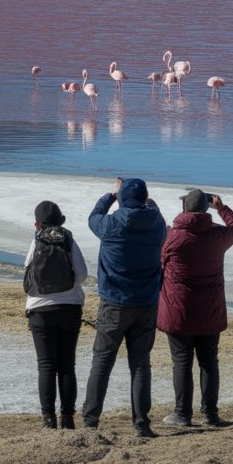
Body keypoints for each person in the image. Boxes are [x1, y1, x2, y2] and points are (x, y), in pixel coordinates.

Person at [81, 177, 167, 438]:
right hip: (146, 303)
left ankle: (90, 420)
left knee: (103, 360)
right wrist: (144, 199)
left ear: (123, 198)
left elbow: (93, 216)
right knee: (140, 363)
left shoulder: (111, 225)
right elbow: (154, 210)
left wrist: (111, 195)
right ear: (144, 198)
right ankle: (141, 423)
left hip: (115, 303)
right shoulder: (157, 224)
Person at [157, 188, 233, 428]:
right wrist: (222, 208)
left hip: (178, 310)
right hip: (209, 311)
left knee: (182, 362)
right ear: (207, 207)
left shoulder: (171, 237)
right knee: (209, 361)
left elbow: (160, 263)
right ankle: (210, 414)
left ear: (185, 208)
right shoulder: (217, 235)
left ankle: (182, 414)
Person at [24, 200, 89, 430]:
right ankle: (68, 419)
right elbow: (82, 275)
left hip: (39, 309)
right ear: (60, 221)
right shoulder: (69, 239)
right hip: (70, 308)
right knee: (67, 365)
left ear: (36, 223)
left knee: (46, 366)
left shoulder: (36, 241)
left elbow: (27, 273)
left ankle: (48, 420)